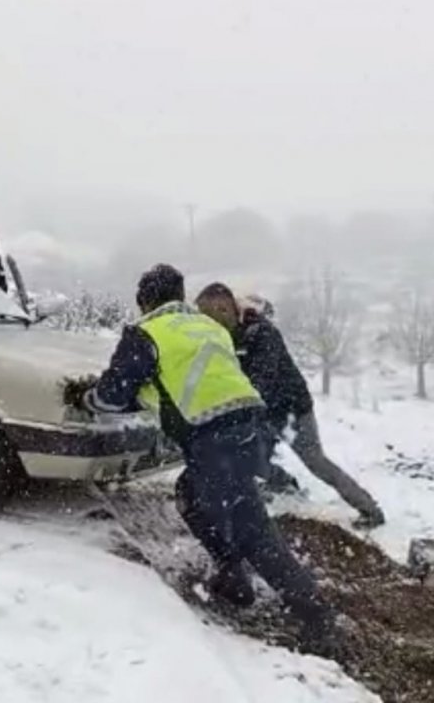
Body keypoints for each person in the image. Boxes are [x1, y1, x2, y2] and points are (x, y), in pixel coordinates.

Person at [78, 264, 342, 657]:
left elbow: (112, 396)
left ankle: (315, 617)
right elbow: (182, 381)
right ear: (180, 296)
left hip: (215, 438)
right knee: (194, 495)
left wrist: (86, 397)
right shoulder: (206, 327)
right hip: (250, 427)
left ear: (143, 301)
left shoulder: (144, 334)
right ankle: (233, 575)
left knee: (250, 529)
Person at [195, 282, 385, 529]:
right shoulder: (222, 337)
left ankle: (370, 510)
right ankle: (285, 485)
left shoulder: (262, 333)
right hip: (262, 411)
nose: (203, 323)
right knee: (248, 460)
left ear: (223, 309)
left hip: (292, 409)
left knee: (316, 462)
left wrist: (237, 407)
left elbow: (262, 380)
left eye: (207, 315)